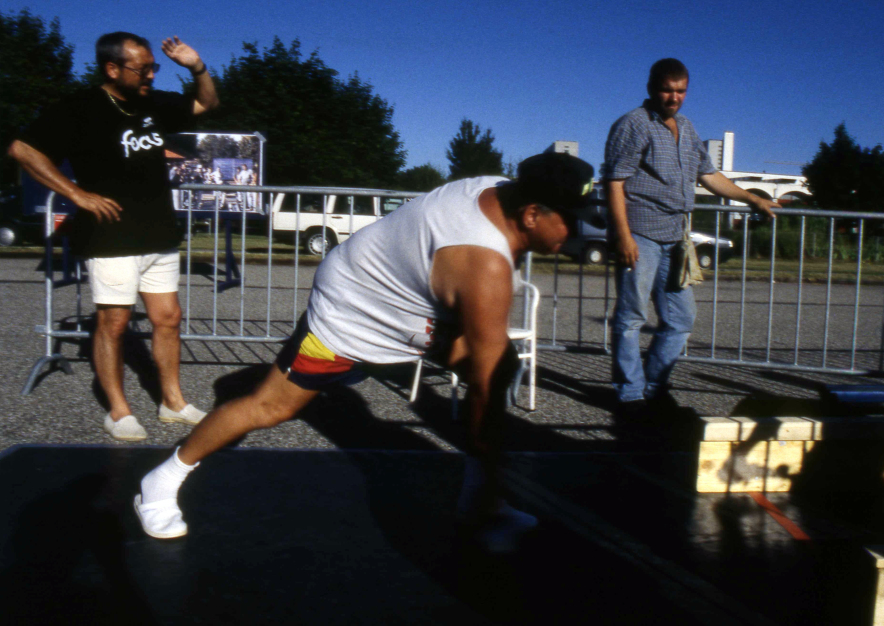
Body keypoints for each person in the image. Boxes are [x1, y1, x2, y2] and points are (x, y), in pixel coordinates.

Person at [134, 152, 600, 551]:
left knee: (499, 371)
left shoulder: (502, 190)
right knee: (272, 406)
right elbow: (482, 394)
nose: (579, 229)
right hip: (351, 307)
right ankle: (159, 483)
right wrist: (491, 453)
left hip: (406, 299)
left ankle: (481, 505)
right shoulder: (484, 267)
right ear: (533, 214)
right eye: (571, 218)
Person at [7, 32, 220, 440]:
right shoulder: (79, 108)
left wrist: (196, 67)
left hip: (158, 231)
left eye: (153, 68)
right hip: (111, 236)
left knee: (168, 319)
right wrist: (75, 194)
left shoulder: (152, 102)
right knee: (114, 322)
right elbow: (22, 150)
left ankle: (173, 402)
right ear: (111, 68)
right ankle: (119, 411)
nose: (151, 77)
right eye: (143, 69)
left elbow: (206, 103)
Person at [603, 58, 778, 412]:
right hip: (641, 234)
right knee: (631, 316)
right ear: (652, 87)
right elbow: (614, 182)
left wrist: (751, 197)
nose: (674, 97)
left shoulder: (687, 127)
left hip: (677, 238)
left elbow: (709, 176)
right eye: (668, 90)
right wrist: (623, 236)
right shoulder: (633, 125)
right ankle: (630, 393)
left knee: (681, 318)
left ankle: (654, 386)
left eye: (681, 90)